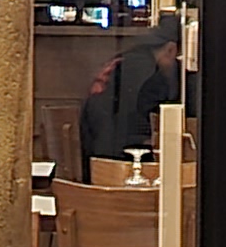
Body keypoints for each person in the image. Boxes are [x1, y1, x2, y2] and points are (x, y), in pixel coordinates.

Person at [76, 15, 187, 173]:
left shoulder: (128, 59)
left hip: (93, 155)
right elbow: (141, 128)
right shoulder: (150, 74)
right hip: (114, 163)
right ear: (171, 49)